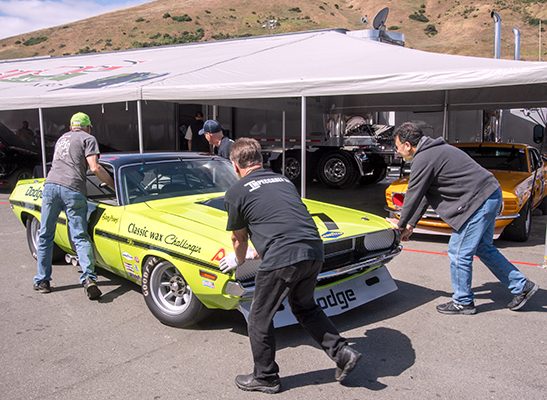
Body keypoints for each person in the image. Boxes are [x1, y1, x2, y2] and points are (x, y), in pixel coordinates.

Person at [221, 137, 361, 394]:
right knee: (305, 307)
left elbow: (237, 237)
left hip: (283, 257)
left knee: (259, 317)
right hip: (314, 251)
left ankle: (266, 377)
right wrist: (261, 248)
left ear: (234, 165)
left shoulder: (236, 192)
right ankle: (342, 353)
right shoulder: (283, 180)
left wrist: (238, 260)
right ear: (261, 160)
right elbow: (282, 220)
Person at [388, 122, 538, 315]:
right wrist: (410, 224)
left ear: (408, 145)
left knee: (458, 252)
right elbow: (425, 194)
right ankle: (522, 286)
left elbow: (414, 193)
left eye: (398, 147)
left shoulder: (424, 157)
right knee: (483, 248)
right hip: (490, 195)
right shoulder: (436, 150)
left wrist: (400, 226)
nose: (398, 152)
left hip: (477, 202)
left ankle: (463, 301)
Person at [33, 112, 115, 300]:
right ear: (88, 127)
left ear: (71, 127)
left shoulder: (62, 138)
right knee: (79, 235)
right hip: (73, 189)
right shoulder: (88, 138)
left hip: (50, 187)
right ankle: (88, 278)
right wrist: (112, 185)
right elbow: (95, 167)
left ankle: (42, 281)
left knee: (45, 234)